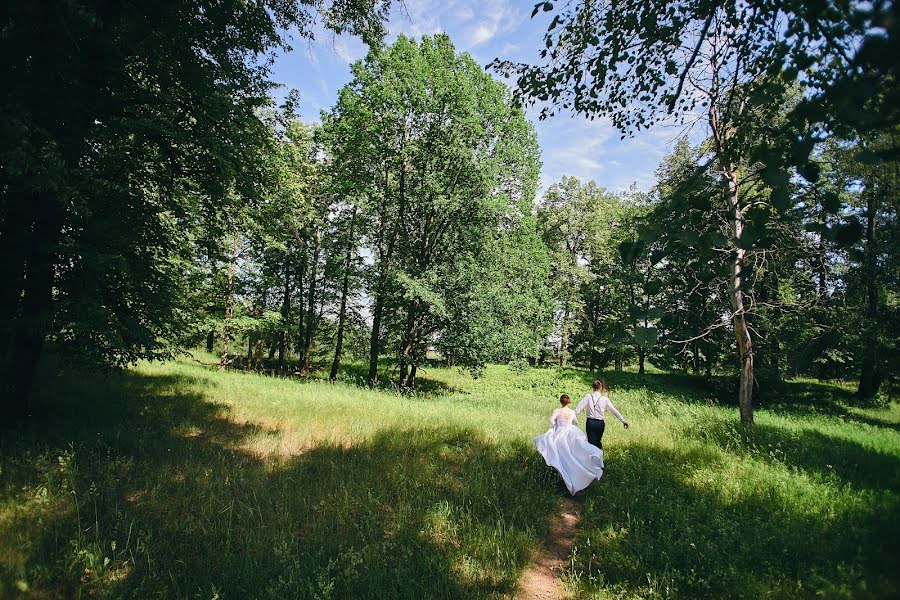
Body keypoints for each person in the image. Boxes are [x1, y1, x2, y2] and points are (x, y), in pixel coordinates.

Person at [534, 394, 605, 495]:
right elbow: (575, 422)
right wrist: (570, 422)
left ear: (561, 401)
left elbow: (551, 420)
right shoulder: (572, 412)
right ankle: (578, 475)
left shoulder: (557, 411)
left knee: (560, 454)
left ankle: (561, 477)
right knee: (572, 454)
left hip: (559, 433)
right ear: (569, 402)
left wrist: (555, 425)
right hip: (569, 432)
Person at [574, 379, 629, 451]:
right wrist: (623, 420)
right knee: (597, 441)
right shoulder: (604, 399)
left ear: (593, 388)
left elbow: (578, 409)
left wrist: (569, 416)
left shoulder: (588, 396)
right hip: (600, 423)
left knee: (591, 442)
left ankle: (592, 459)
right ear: (601, 388)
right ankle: (598, 457)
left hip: (590, 422)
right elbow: (614, 410)